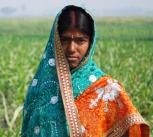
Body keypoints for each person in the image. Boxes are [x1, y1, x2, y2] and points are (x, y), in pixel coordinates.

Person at [21, 5, 150, 137]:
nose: (71, 48)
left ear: (90, 42)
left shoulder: (107, 90)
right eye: (64, 40)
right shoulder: (41, 88)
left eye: (80, 40)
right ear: (55, 41)